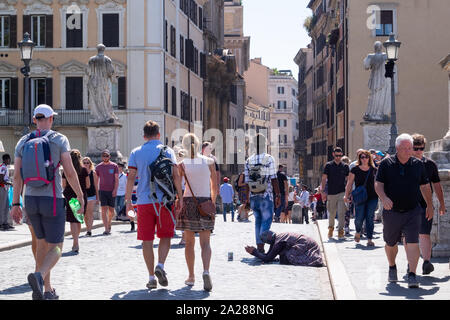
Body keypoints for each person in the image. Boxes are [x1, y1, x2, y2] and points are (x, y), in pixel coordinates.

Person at [10, 104, 84, 300]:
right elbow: (69, 171)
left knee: (41, 245)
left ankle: (46, 290)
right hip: (52, 200)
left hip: (31, 200)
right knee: (57, 246)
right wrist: (79, 195)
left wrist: (15, 203)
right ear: (51, 119)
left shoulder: (23, 141)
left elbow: (17, 176)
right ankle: (39, 276)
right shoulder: (59, 139)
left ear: (35, 120)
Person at [125, 121, 183, 290]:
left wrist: (129, 202)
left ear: (144, 136)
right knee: (165, 236)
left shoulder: (136, 152)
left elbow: (130, 178)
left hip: (143, 201)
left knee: (147, 240)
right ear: (158, 134)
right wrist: (180, 197)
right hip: (165, 201)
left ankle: (151, 277)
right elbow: (176, 176)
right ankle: (161, 265)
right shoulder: (168, 151)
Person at [374, 134, 434, 288]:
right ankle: (392, 266)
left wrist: (429, 205)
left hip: (413, 210)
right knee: (390, 243)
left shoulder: (417, 164)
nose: (409, 151)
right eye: (405, 148)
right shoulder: (386, 164)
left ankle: (412, 274)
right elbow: (378, 184)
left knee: (413, 242)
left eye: (410, 148)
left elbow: (425, 186)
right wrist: (384, 198)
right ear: (397, 149)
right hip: (392, 210)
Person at [176, 133, 217, 291]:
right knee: (205, 243)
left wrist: (179, 201)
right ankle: (206, 271)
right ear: (199, 145)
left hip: (189, 202)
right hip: (205, 201)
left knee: (189, 243)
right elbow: (214, 186)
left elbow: (180, 186)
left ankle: (191, 276)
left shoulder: (182, 164)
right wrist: (212, 201)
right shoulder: (209, 161)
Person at [410, 133, 446, 275]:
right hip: (408, 204)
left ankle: (426, 262)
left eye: (421, 148)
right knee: (410, 236)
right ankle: (411, 262)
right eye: (416, 148)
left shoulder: (430, 164)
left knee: (425, 234)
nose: (419, 151)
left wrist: (442, 204)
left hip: (426, 205)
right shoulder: (405, 163)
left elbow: (437, 185)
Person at [245, 133, 281, 253]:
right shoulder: (269, 158)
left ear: (254, 145)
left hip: (253, 196)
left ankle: (260, 247)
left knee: (258, 221)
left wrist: (246, 199)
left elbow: (246, 181)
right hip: (266, 195)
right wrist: (278, 195)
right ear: (265, 144)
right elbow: (274, 178)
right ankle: (261, 244)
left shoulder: (249, 160)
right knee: (267, 220)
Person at [344, 149, 378, 247]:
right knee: (359, 218)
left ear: (369, 158)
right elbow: (349, 184)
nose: (364, 159)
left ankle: (369, 239)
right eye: (362, 157)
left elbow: (378, 184)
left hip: (372, 197)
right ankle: (358, 231)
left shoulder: (374, 170)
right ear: (359, 158)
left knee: (369, 218)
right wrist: (346, 195)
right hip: (360, 197)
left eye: (366, 157)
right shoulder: (355, 169)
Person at [245, 230, 323, 267]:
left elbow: (268, 258)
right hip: (309, 242)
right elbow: (268, 255)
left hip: (306, 244)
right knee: (283, 257)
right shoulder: (277, 238)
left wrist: (254, 252)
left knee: (286, 258)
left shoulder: (278, 242)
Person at [62, 150, 89, 253]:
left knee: (73, 220)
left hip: (70, 195)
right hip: (81, 195)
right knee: (78, 219)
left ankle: (75, 242)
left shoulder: (66, 171)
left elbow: (64, 184)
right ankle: (76, 241)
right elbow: (88, 185)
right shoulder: (84, 170)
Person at [321, 147, 349, 239]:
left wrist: (348, 193)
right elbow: (324, 178)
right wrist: (323, 192)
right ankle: (331, 228)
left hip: (342, 192)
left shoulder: (345, 166)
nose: (338, 157)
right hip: (331, 193)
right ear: (333, 154)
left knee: (341, 213)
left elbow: (348, 180)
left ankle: (341, 231)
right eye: (336, 155)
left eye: (340, 156)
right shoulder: (328, 165)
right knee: (332, 213)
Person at [95, 149, 119, 235]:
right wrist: (97, 193)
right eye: (104, 156)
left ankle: (109, 222)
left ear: (109, 156)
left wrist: (115, 189)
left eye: (107, 156)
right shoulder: (98, 167)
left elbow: (116, 179)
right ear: (102, 157)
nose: (105, 157)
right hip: (102, 190)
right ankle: (106, 228)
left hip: (111, 190)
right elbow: (96, 181)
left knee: (111, 210)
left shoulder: (114, 166)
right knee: (104, 209)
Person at [82, 157, 99, 236]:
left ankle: (89, 230)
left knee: (90, 212)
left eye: (87, 163)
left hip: (92, 195)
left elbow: (96, 186)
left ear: (90, 164)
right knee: (85, 214)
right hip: (83, 195)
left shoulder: (93, 173)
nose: (86, 164)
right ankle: (88, 228)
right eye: (84, 163)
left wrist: (97, 197)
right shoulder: (80, 172)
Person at [0, 154, 13, 230]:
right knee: (2, 206)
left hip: (5, 188)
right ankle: (1, 223)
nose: (10, 160)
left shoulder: (6, 167)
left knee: (6, 206)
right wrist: (10, 183)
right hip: (2, 188)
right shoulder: (2, 167)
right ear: (5, 160)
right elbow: (1, 180)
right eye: (9, 159)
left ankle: (5, 222)